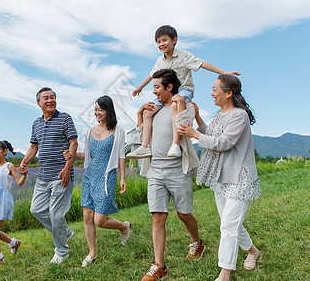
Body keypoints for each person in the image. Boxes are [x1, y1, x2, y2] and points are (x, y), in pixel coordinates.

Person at [178, 74, 262, 281]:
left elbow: (224, 142)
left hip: (239, 177)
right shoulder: (220, 114)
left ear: (228, 93)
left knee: (228, 226)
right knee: (228, 222)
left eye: (215, 89)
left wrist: (194, 135)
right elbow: (212, 133)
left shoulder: (239, 115)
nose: (212, 93)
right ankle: (253, 251)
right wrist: (197, 118)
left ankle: (225, 274)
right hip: (222, 176)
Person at [128, 24, 240, 159]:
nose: (161, 44)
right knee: (148, 111)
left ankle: (175, 144)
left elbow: (202, 64)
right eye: (158, 42)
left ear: (174, 40)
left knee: (177, 102)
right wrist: (140, 87)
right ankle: (145, 146)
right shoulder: (160, 61)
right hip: (165, 93)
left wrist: (224, 72)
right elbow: (152, 75)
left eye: (164, 40)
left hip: (183, 90)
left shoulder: (184, 56)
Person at [139, 69, 205, 281]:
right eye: (153, 87)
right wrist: (140, 114)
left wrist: (183, 104)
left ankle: (197, 242)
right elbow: (142, 135)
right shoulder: (154, 109)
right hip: (156, 169)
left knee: (183, 214)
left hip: (178, 168)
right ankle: (159, 266)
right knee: (157, 217)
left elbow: (186, 125)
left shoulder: (180, 105)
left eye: (157, 87)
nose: (154, 91)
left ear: (169, 87)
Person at [63, 95, 131, 268]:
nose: (97, 113)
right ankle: (92, 253)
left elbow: (121, 156)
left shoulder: (118, 131)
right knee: (87, 216)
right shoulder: (90, 131)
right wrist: (73, 155)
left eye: (101, 109)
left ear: (109, 110)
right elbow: (87, 155)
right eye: (95, 110)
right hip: (90, 176)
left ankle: (123, 227)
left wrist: (123, 178)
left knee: (100, 220)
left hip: (107, 176)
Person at [19, 87, 78, 264]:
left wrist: (68, 167)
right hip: (43, 176)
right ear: (39, 103)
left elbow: (73, 143)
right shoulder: (36, 123)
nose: (50, 100)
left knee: (56, 215)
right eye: (46, 98)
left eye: (53, 97)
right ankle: (64, 232)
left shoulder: (65, 118)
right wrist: (24, 162)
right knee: (36, 210)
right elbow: (33, 147)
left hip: (61, 174)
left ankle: (61, 251)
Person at [0, 140, 27, 268]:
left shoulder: (8, 166)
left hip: (4, 200)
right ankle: (13, 242)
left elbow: (19, 182)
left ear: (5, 151)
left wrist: (24, 175)